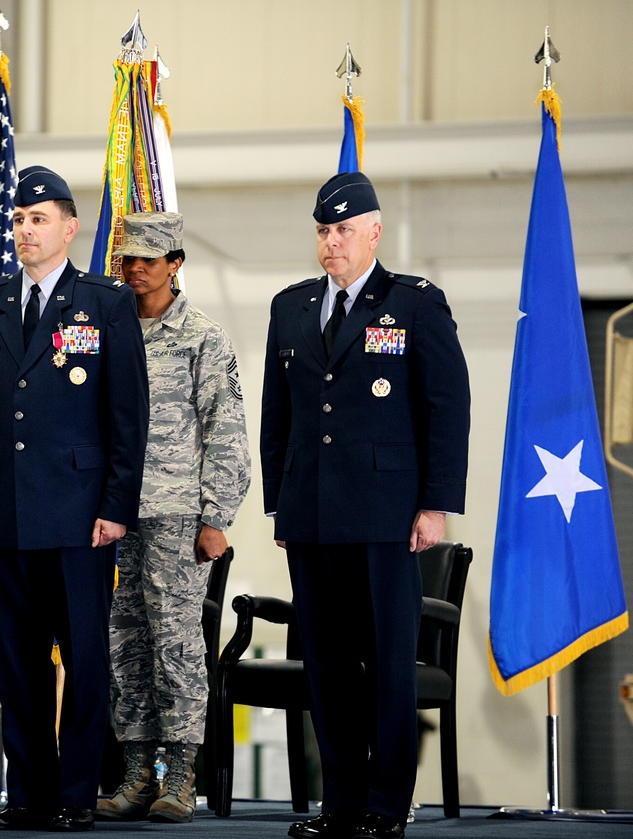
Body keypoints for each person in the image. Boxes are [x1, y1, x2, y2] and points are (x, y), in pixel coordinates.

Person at [260, 173, 470, 839]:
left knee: (385, 666)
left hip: (386, 516)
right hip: (312, 515)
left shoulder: (414, 304)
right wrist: (280, 503)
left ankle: (385, 805)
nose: (331, 242)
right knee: (326, 664)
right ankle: (340, 803)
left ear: (373, 232)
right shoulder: (290, 307)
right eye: (323, 230)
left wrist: (435, 504)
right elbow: (278, 416)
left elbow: (447, 409)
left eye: (343, 229)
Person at [0, 166, 149, 832]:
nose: (25, 229)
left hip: (80, 517)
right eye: (17, 219)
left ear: (70, 227)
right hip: (6, 514)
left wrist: (117, 504)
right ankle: (28, 794)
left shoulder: (106, 303)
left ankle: (74, 794)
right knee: (18, 662)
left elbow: (128, 416)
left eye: (38, 218)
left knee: (86, 660)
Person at [94, 212, 251, 824]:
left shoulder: (202, 337)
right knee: (124, 642)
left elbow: (227, 432)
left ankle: (180, 774)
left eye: (148, 261)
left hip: (176, 515)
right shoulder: (106, 329)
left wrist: (216, 516)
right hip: (112, 517)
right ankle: (135, 772)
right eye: (127, 260)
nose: (135, 270)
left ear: (175, 264)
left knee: (177, 644)